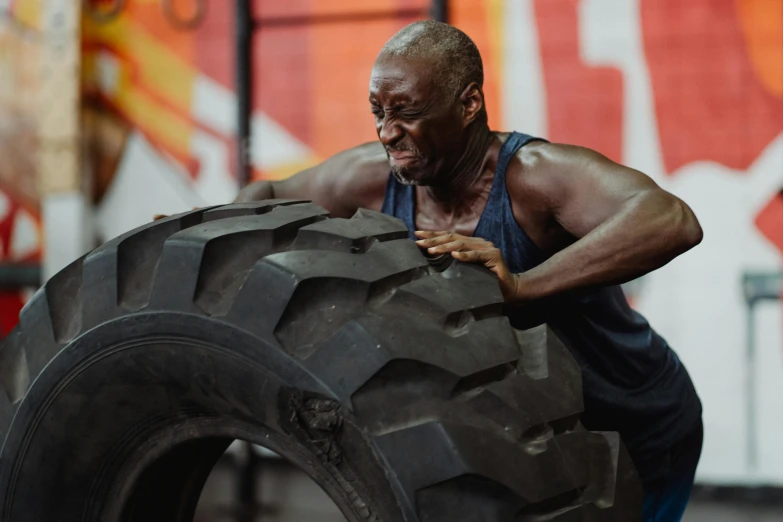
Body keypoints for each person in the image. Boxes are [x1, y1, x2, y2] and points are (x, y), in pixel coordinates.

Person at [218, 21, 704, 521]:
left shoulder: (534, 178)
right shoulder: (372, 178)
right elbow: (268, 196)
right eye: (378, 112)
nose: (388, 132)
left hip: (636, 426)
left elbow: (671, 220)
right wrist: (204, 231)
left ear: (469, 104)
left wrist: (522, 286)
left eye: (408, 112)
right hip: (532, 437)